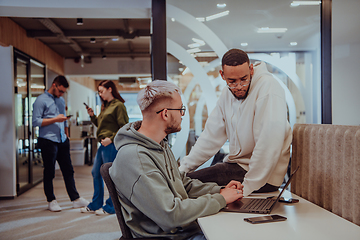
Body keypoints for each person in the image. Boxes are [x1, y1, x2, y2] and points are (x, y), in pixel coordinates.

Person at [109, 80, 243, 240]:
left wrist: (219, 191)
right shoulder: (136, 158)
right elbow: (171, 215)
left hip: (183, 230)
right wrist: (220, 200)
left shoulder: (159, 146)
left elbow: (183, 185)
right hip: (170, 236)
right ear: (165, 114)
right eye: (180, 109)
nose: (182, 114)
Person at [179, 49, 292, 197]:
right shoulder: (227, 94)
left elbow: (268, 142)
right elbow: (210, 138)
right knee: (185, 182)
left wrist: (246, 187)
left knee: (186, 185)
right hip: (237, 167)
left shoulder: (268, 88)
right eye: (232, 81)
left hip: (264, 177)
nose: (239, 86)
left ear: (251, 70)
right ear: (222, 75)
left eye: (244, 79)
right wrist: (182, 169)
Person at [32, 75, 89, 212]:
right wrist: (54, 119)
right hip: (48, 140)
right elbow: (35, 122)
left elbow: (63, 119)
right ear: (54, 85)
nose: (62, 94)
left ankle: (75, 199)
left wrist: (66, 134)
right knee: (50, 171)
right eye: (61, 91)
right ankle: (51, 200)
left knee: (68, 170)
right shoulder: (40, 100)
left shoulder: (61, 101)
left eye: (64, 92)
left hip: (62, 140)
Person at [81, 80, 129, 215]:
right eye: (99, 92)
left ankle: (111, 207)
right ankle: (96, 204)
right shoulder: (105, 106)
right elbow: (102, 125)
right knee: (95, 173)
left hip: (111, 145)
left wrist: (111, 139)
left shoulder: (119, 106)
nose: (100, 94)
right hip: (103, 144)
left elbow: (124, 127)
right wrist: (92, 116)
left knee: (110, 176)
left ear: (110, 89)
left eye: (102, 91)